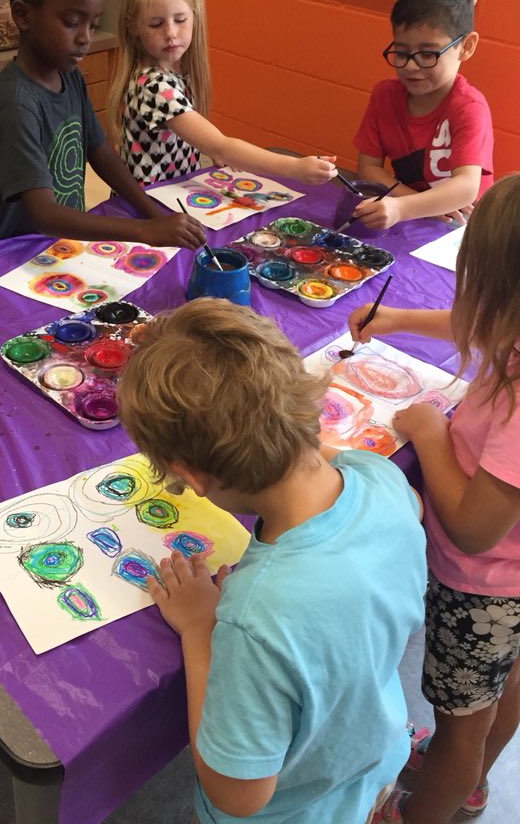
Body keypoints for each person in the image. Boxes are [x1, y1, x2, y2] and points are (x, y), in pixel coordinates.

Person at [117, 298, 426, 824]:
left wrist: (198, 627)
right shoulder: (385, 481)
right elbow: (412, 511)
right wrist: (282, 431)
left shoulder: (253, 620)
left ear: (190, 477)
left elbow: (237, 794)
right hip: (371, 762)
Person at [348, 173, 520, 824]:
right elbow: (476, 324)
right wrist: (393, 318)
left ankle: (440, 800)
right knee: (500, 693)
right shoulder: (513, 332)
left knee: (459, 730)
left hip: (482, 593)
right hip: (507, 595)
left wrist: (429, 431)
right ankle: (471, 785)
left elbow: (475, 527)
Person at [0, 0, 205, 253]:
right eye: (72, 22)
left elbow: (100, 152)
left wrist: (151, 210)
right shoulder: (15, 103)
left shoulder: (69, 76)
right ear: (23, 15)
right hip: (1, 258)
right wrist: (146, 230)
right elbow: (44, 215)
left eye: (92, 24)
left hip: (54, 250)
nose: (85, 38)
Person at [106, 0, 338, 187]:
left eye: (180, 19)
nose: (171, 33)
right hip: (148, 210)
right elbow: (221, 145)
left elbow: (189, 138)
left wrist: (205, 147)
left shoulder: (175, 71)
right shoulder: (154, 86)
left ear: (195, 15)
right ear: (133, 26)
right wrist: (294, 168)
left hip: (171, 195)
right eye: (156, 24)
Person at [351, 0, 493, 231]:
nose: (411, 66)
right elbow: (368, 169)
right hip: (409, 217)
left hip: (461, 228)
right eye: (402, 52)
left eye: (428, 54)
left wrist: (402, 207)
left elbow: (466, 188)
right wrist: (415, 204)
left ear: (466, 46)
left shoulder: (469, 107)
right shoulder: (385, 95)